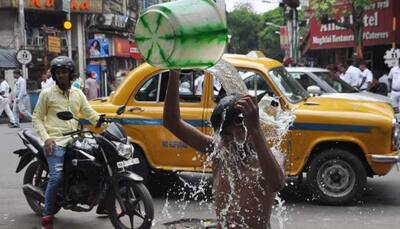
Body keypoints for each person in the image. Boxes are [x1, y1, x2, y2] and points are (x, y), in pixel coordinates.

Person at [163, 70, 285, 228]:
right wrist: (174, 74)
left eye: (227, 135)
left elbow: (277, 183)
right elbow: (172, 122)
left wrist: (255, 129)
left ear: (245, 128)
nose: (223, 141)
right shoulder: (219, 153)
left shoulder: (272, 157)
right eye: (220, 135)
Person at [32, 56, 103, 229]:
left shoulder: (78, 94)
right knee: (56, 177)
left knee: (98, 164)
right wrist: (47, 138)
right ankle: (47, 217)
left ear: (70, 74)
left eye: (64, 72)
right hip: (56, 141)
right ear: (55, 76)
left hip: (75, 138)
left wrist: (108, 122)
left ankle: (103, 203)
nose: (61, 75)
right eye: (58, 73)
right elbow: (37, 118)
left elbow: (90, 114)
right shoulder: (47, 94)